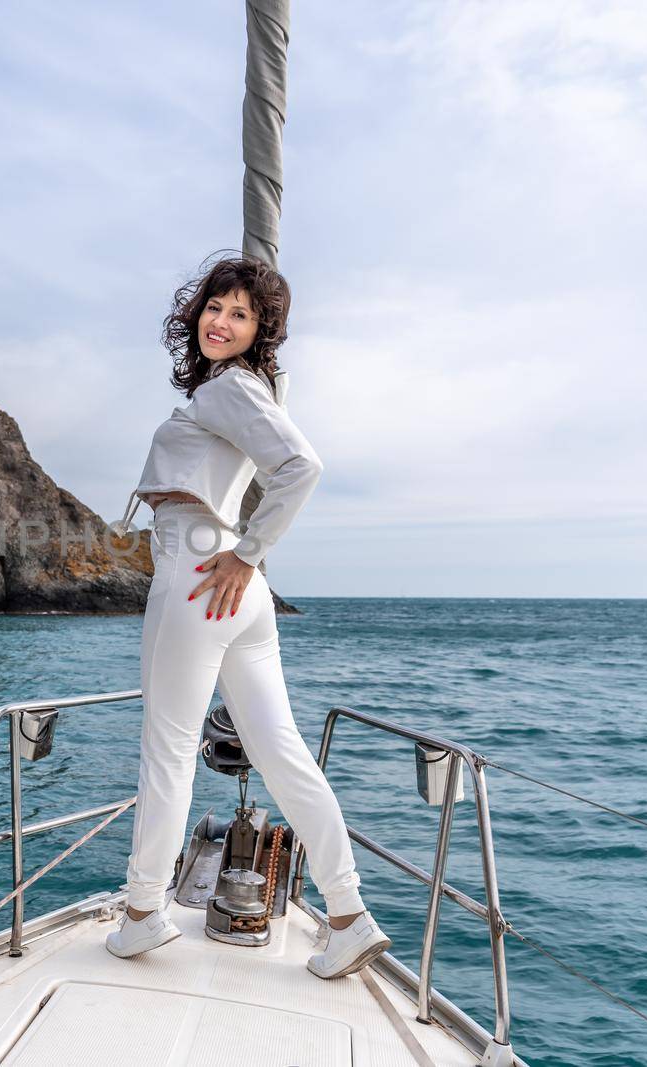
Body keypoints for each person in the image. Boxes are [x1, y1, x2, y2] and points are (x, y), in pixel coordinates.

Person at [104, 253, 391, 980]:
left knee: (167, 750)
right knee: (281, 751)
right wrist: (247, 558)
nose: (220, 321)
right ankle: (350, 915)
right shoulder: (244, 389)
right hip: (237, 590)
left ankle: (143, 913)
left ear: (260, 329)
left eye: (240, 313)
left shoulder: (231, 388)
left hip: (201, 575)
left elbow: (302, 465)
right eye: (214, 306)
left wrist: (249, 551)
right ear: (195, 311)